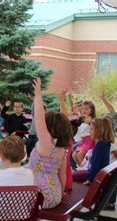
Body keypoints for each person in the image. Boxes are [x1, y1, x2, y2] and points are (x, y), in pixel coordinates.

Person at [28, 78, 72, 209]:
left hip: (40, 197)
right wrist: (62, 191)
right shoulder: (62, 150)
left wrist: (38, 94)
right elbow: (62, 174)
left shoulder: (46, 143)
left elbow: (39, 118)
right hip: (55, 195)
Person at [73, 117, 115, 185]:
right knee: (71, 173)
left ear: (99, 131)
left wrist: (90, 180)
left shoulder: (100, 146)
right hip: (97, 174)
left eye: (92, 129)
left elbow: (95, 166)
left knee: (70, 175)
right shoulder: (104, 144)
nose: (89, 131)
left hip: (93, 175)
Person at [72, 100, 96, 166]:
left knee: (80, 155)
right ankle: (81, 167)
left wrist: (89, 122)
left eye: (86, 109)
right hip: (83, 141)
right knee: (74, 155)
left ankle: (84, 168)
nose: (84, 111)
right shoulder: (82, 119)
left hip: (90, 141)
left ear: (91, 110)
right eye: (83, 109)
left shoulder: (92, 119)